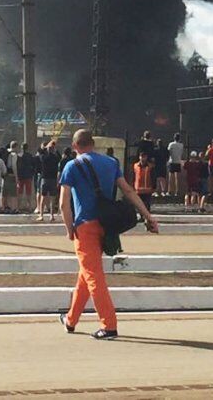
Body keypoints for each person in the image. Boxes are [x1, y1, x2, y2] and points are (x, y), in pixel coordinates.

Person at [59, 128, 158, 340]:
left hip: (84, 225)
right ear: (92, 144)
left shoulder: (71, 166)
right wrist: (148, 216)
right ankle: (70, 319)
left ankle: (109, 325)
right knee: (86, 274)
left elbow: (63, 203)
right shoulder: (111, 163)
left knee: (93, 276)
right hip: (106, 225)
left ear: (75, 146)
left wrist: (69, 230)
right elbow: (129, 191)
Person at [37, 141, 60, 222]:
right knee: (52, 198)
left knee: (43, 196)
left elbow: (39, 150)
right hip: (53, 178)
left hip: (45, 178)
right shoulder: (55, 157)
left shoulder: (44, 157)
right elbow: (59, 157)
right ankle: (51, 215)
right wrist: (55, 149)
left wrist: (46, 146)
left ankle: (41, 215)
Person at [133, 150, 156, 215]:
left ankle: (147, 216)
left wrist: (154, 186)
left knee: (147, 204)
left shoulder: (150, 166)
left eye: (144, 157)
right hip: (138, 189)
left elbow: (153, 176)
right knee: (139, 204)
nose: (142, 158)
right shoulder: (135, 165)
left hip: (147, 189)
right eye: (141, 156)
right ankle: (141, 216)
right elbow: (133, 176)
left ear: (146, 157)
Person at [17, 143, 35, 211]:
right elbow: (33, 165)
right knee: (28, 192)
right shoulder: (30, 156)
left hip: (20, 176)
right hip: (28, 176)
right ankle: (29, 206)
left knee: (20, 192)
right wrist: (32, 173)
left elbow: (17, 166)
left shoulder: (19, 156)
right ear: (27, 148)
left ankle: (18, 207)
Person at [3, 141, 19, 214]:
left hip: (5, 175)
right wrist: (16, 177)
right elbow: (14, 166)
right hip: (11, 175)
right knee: (13, 193)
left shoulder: (6, 153)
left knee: (5, 193)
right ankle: (14, 208)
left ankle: (5, 207)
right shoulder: (14, 154)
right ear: (15, 147)